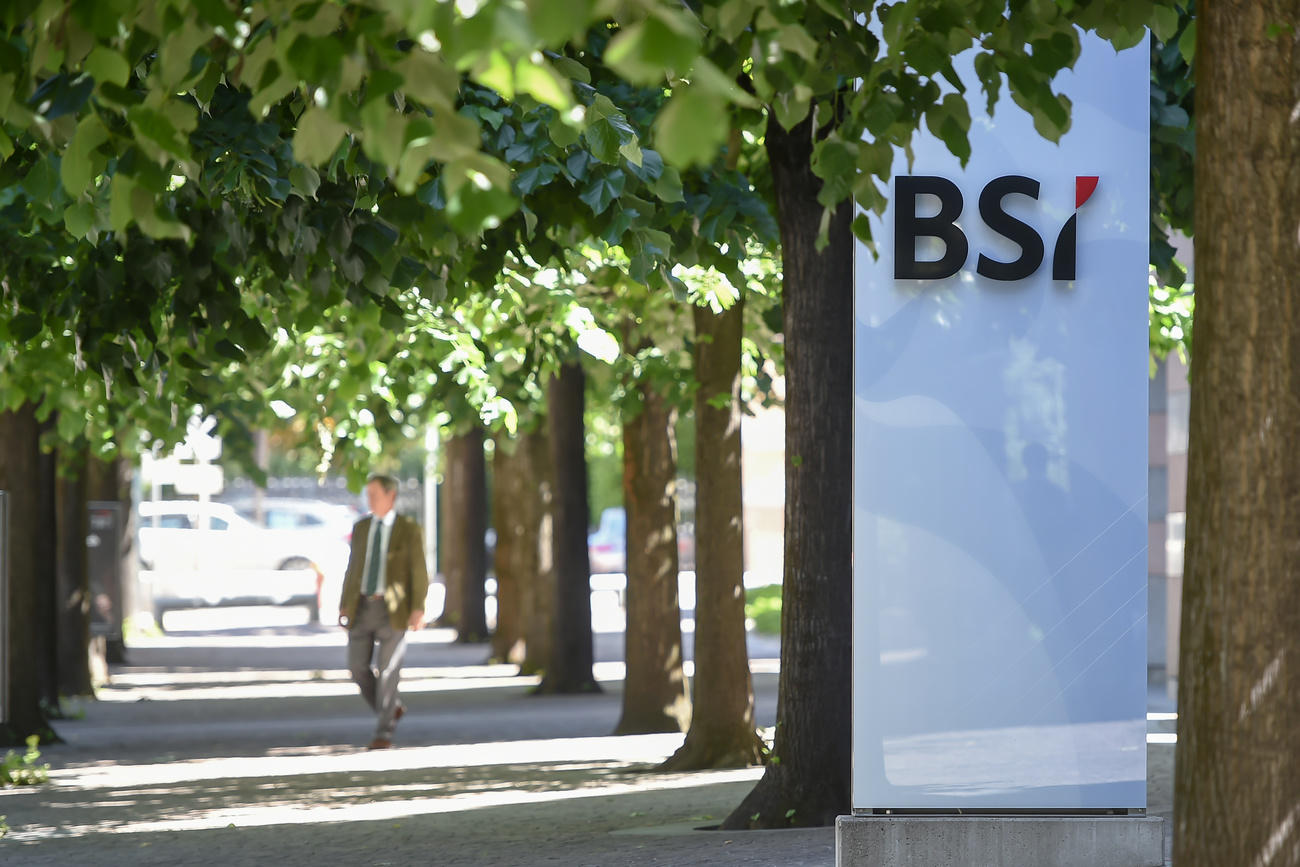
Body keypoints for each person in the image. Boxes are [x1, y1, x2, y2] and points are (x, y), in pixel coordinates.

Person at [338, 473, 429, 749]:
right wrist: (344, 603)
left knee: (388, 670)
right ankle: (390, 708)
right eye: (368, 495)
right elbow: (353, 567)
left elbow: (419, 571)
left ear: (391, 496)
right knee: (356, 667)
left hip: (393, 610)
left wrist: (418, 608)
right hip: (362, 606)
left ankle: (383, 732)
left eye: (375, 495)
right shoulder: (362, 528)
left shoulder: (408, 529)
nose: (370, 500)